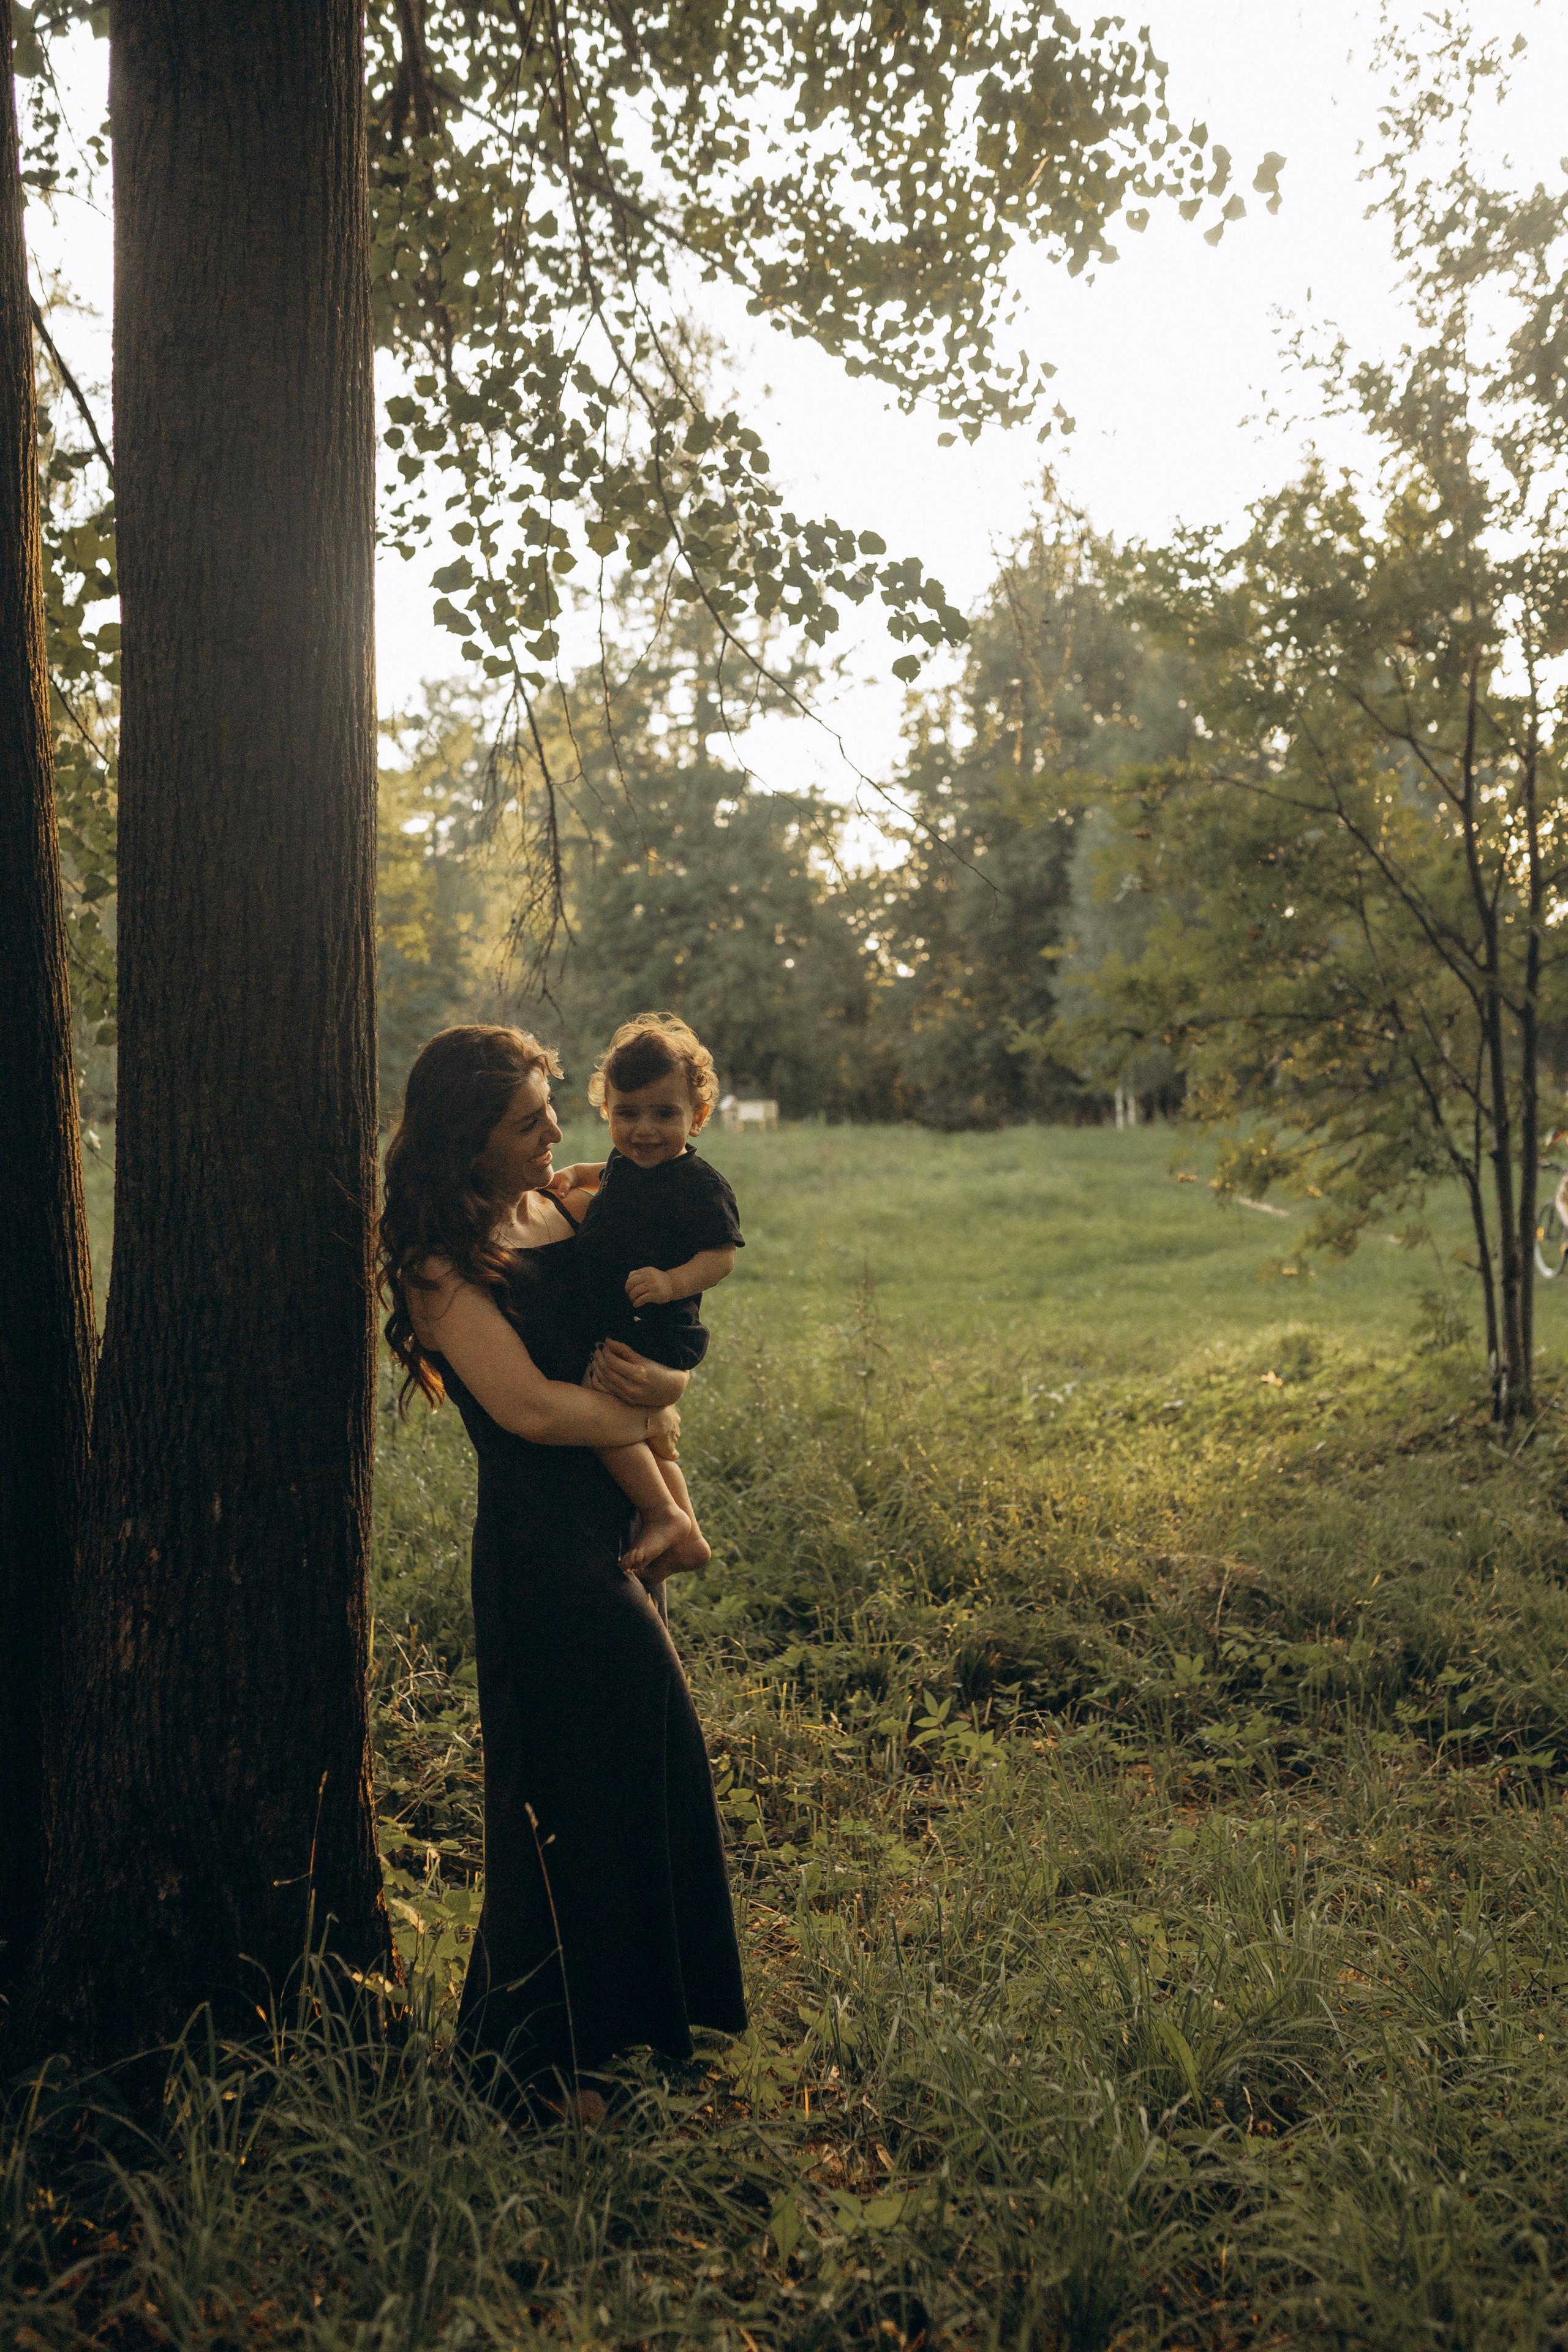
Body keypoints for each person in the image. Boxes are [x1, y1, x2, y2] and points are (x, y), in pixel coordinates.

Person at [379, 1024, 747, 2114]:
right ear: (470, 1139)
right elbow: (532, 1410)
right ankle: (536, 2060)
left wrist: (665, 1393)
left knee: (643, 1768)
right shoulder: (440, 1262)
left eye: (551, 1110)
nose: (555, 1131)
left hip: (619, 1521)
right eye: (528, 1121)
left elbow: (667, 1312)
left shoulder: (566, 1203)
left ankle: (641, 2033)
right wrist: (641, 1407)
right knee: (559, 1798)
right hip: (542, 1546)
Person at [549, 1013, 742, 1581]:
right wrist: (578, 1174)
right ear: (607, 1111)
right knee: (648, 1437)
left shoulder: (699, 1186)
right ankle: (686, 1533)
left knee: (602, 1407)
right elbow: (610, 1176)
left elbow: (722, 1255)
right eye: (627, 1114)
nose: (644, 1131)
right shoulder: (625, 1165)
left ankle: (663, 1516)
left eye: (665, 1114)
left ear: (699, 1116)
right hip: (624, 1319)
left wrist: (672, 1282)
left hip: (654, 1324)